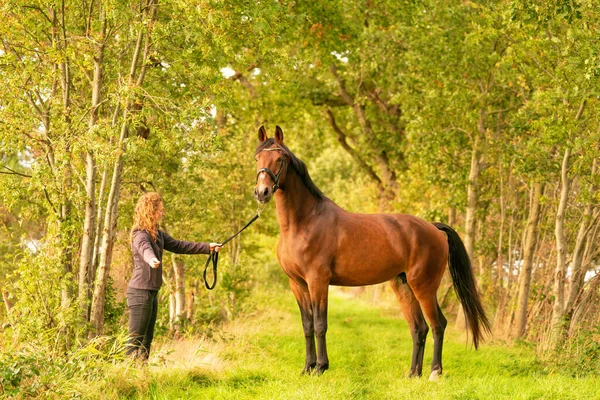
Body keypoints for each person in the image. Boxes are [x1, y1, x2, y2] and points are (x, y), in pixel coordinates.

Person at [126, 192, 221, 363]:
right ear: (150, 211)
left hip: (151, 293)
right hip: (139, 293)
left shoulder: (158, 234)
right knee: (135, 342)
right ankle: (124, 379)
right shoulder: (140, 233)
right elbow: (144, 248)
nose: (162, 213)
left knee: (146, 341)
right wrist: (151, 259)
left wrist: (208, 247)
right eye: (160, 210)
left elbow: (179, 245)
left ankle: (141, 378)